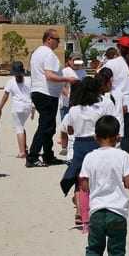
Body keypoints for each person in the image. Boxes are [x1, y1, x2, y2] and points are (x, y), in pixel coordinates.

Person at [60, 77, 117, 228]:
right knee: (98, 179)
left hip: (79, 146)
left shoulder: (73, 110)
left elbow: (69, 129)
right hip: (96, 144)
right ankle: (95, 209)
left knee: (80, 182)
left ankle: (79, 212)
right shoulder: (101, 108)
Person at [80, 115, 129, 256]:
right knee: (117, 250)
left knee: (94, 249)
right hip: (117, 211)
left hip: (97, 211)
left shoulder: (89, 157)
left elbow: (84, 186)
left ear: (95, 137)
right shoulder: (123, 155)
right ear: (117, 137)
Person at [27, 29, 77, 168]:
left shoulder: (37, 52)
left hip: (39, 92)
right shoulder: (48, 54)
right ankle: (32, 156)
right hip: (46, 94)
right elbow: (49, 76)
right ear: (49, 39)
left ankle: (48, 155)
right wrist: (67, 79)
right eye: (57, 39)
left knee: (49, 126)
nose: (58, 42)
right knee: (45, 126)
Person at [103, 36, 129, 153]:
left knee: (111, 131)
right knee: (126, 133)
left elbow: (103, 80)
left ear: (118, 47)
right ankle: (125, 159)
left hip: (113, 101)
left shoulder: (111, 64)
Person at [0, 61, 34, 158]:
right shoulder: (29, 80)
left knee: (19, 129)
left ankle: (22, 152)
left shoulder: (10, 82)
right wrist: (33, 108)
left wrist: (0, 107)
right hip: (27, 107)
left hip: (17, 108)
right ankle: (25, 147)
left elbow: (5, 96)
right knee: (21, 126)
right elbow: (33, 95)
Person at [59, 54, 87, 158]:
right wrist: (69, 95)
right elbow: (61, 86)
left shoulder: (83, 72)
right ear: (69, 61)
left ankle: (75, 145)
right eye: (75, 60)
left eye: (79, 60)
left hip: (79, 103)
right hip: (66, 103)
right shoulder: (65, 71)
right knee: (65, 126)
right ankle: (64, 147)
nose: (77, 62)